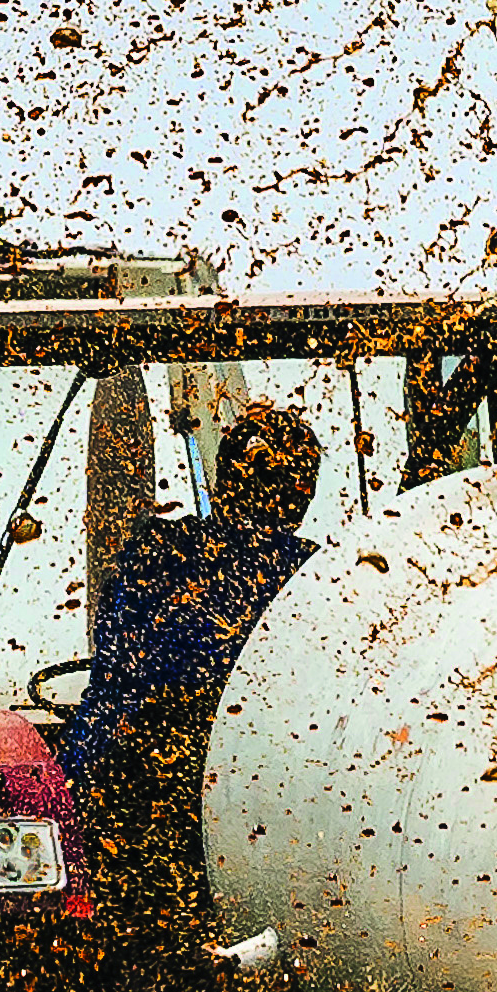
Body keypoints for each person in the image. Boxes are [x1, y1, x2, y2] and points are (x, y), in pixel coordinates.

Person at [58, 397, 324, 941]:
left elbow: (116, 689)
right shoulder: (319, 575)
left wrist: (67, 785)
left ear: (226, 478)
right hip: (279, 812)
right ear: (304, 492)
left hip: (134, 810)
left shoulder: (156, 555)